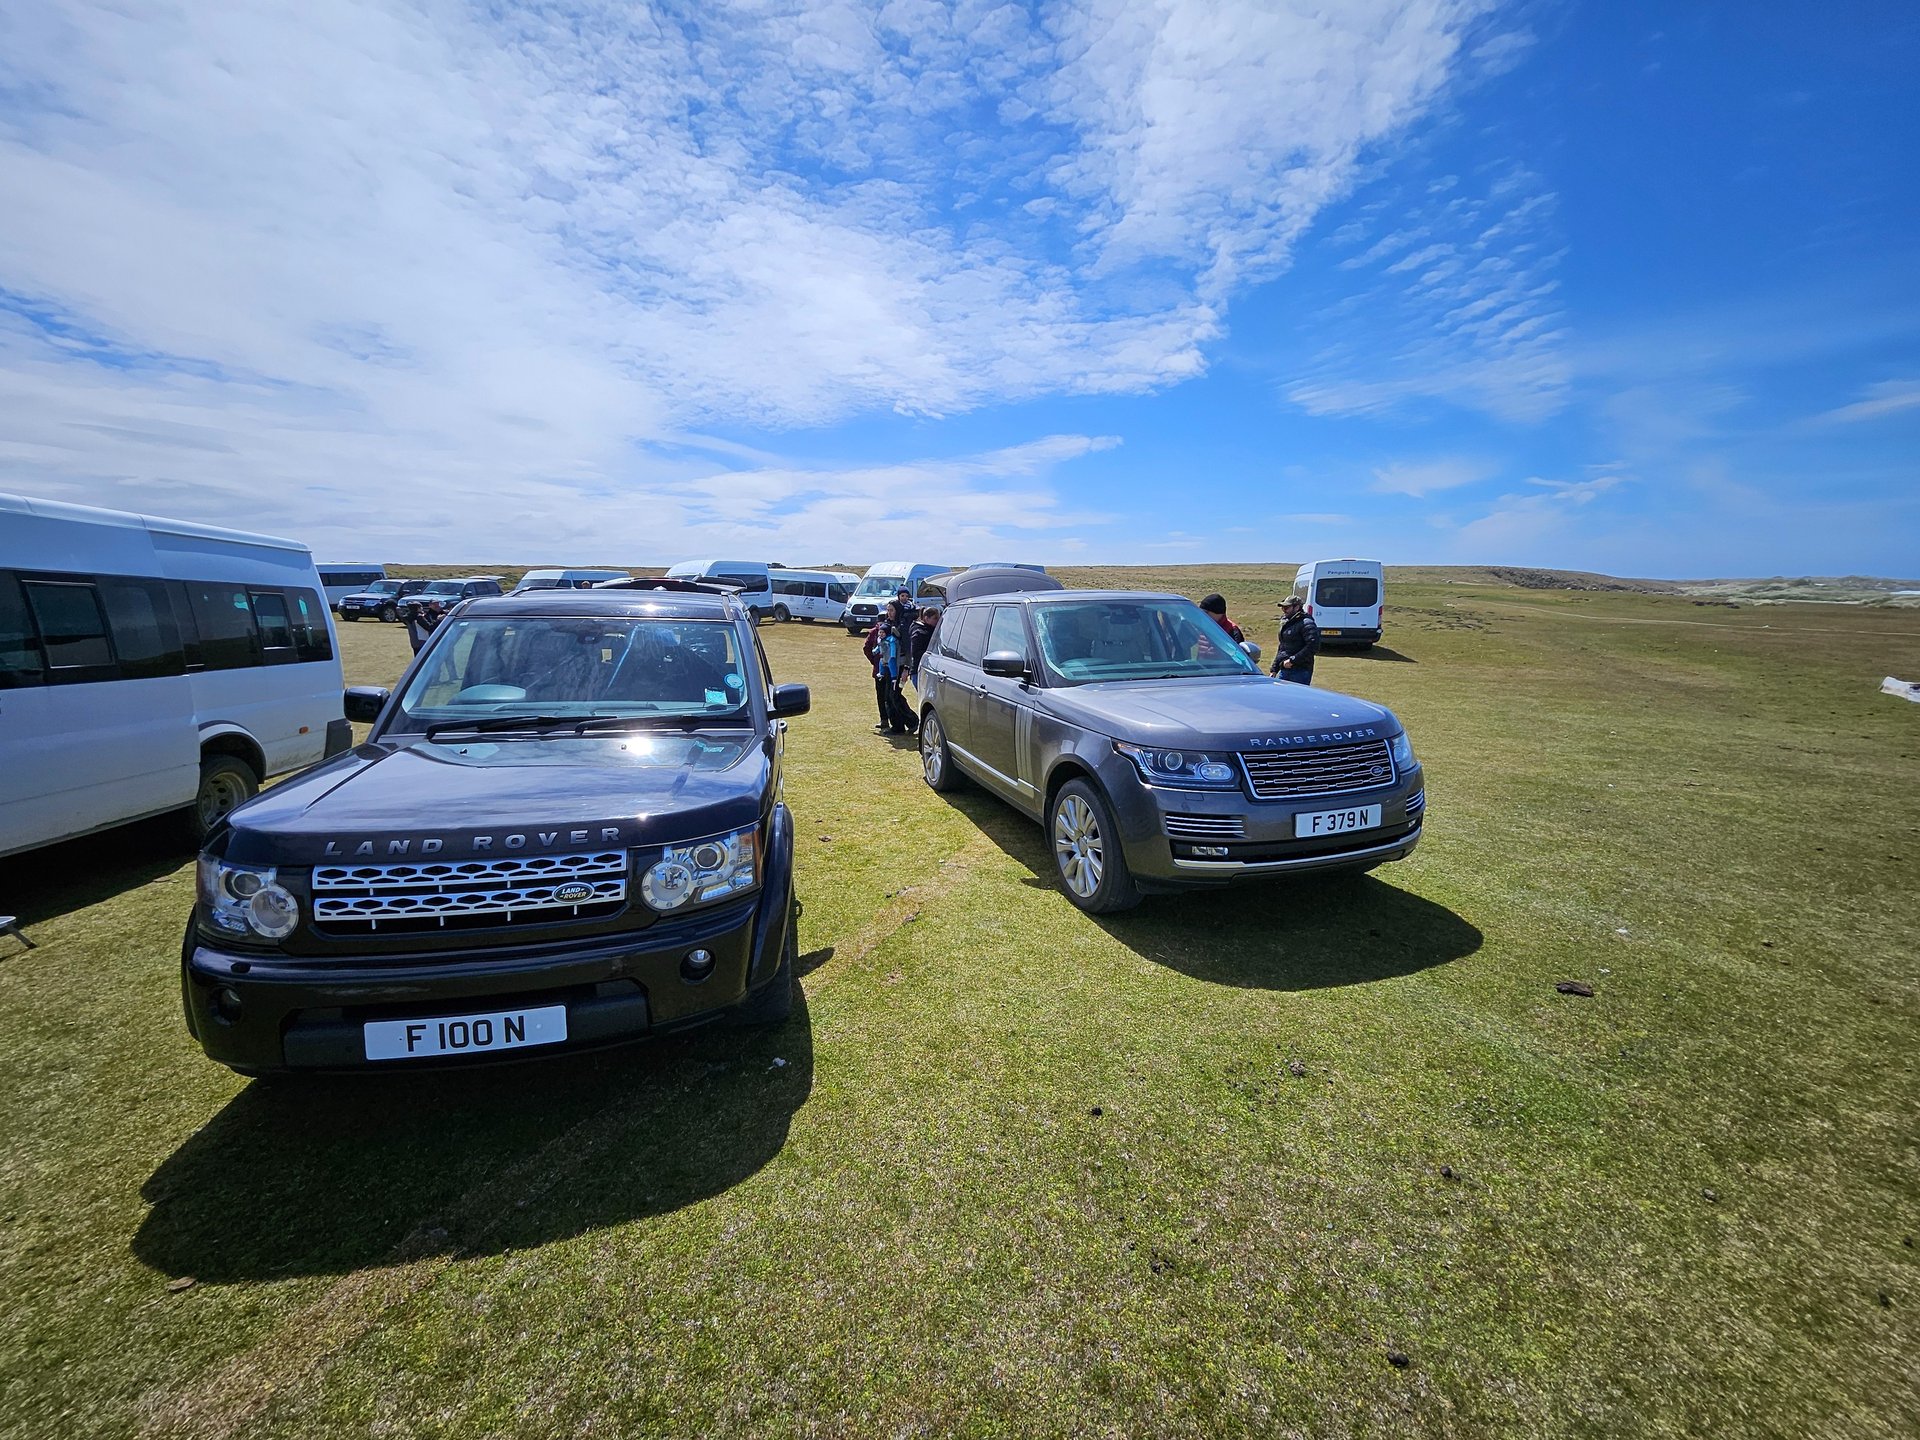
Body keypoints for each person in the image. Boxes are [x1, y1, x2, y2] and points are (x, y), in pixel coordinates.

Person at [864, 602, 916, 734]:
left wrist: (907, 668)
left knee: (894, 695)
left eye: (892, 610)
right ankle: (900, 725)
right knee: (889, 696)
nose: (889, 613)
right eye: (888, 610)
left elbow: (909, 649)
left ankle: (911, 721)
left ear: (897, 611)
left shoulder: (903, 626)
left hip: (899, 665)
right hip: (887, 664)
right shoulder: (887, 624)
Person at [1270, 594, 1319, 684]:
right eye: (1283, 607)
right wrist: (1274, 668)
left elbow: (1313, 646)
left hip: (1300, 671)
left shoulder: (1307, 623)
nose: (1284, 610)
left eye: (1287, 607)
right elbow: (1282, 647)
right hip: (1284, 668)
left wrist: (1293, 660)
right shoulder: (1286, 623)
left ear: (1297, 607)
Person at [906, 606, 938, 688]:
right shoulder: (919, 632)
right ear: (926, 618)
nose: (937, 621)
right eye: (935, 618)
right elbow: (915, 652)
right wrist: (933, 653)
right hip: (919, 672)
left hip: (927, 670)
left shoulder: (930, 630)